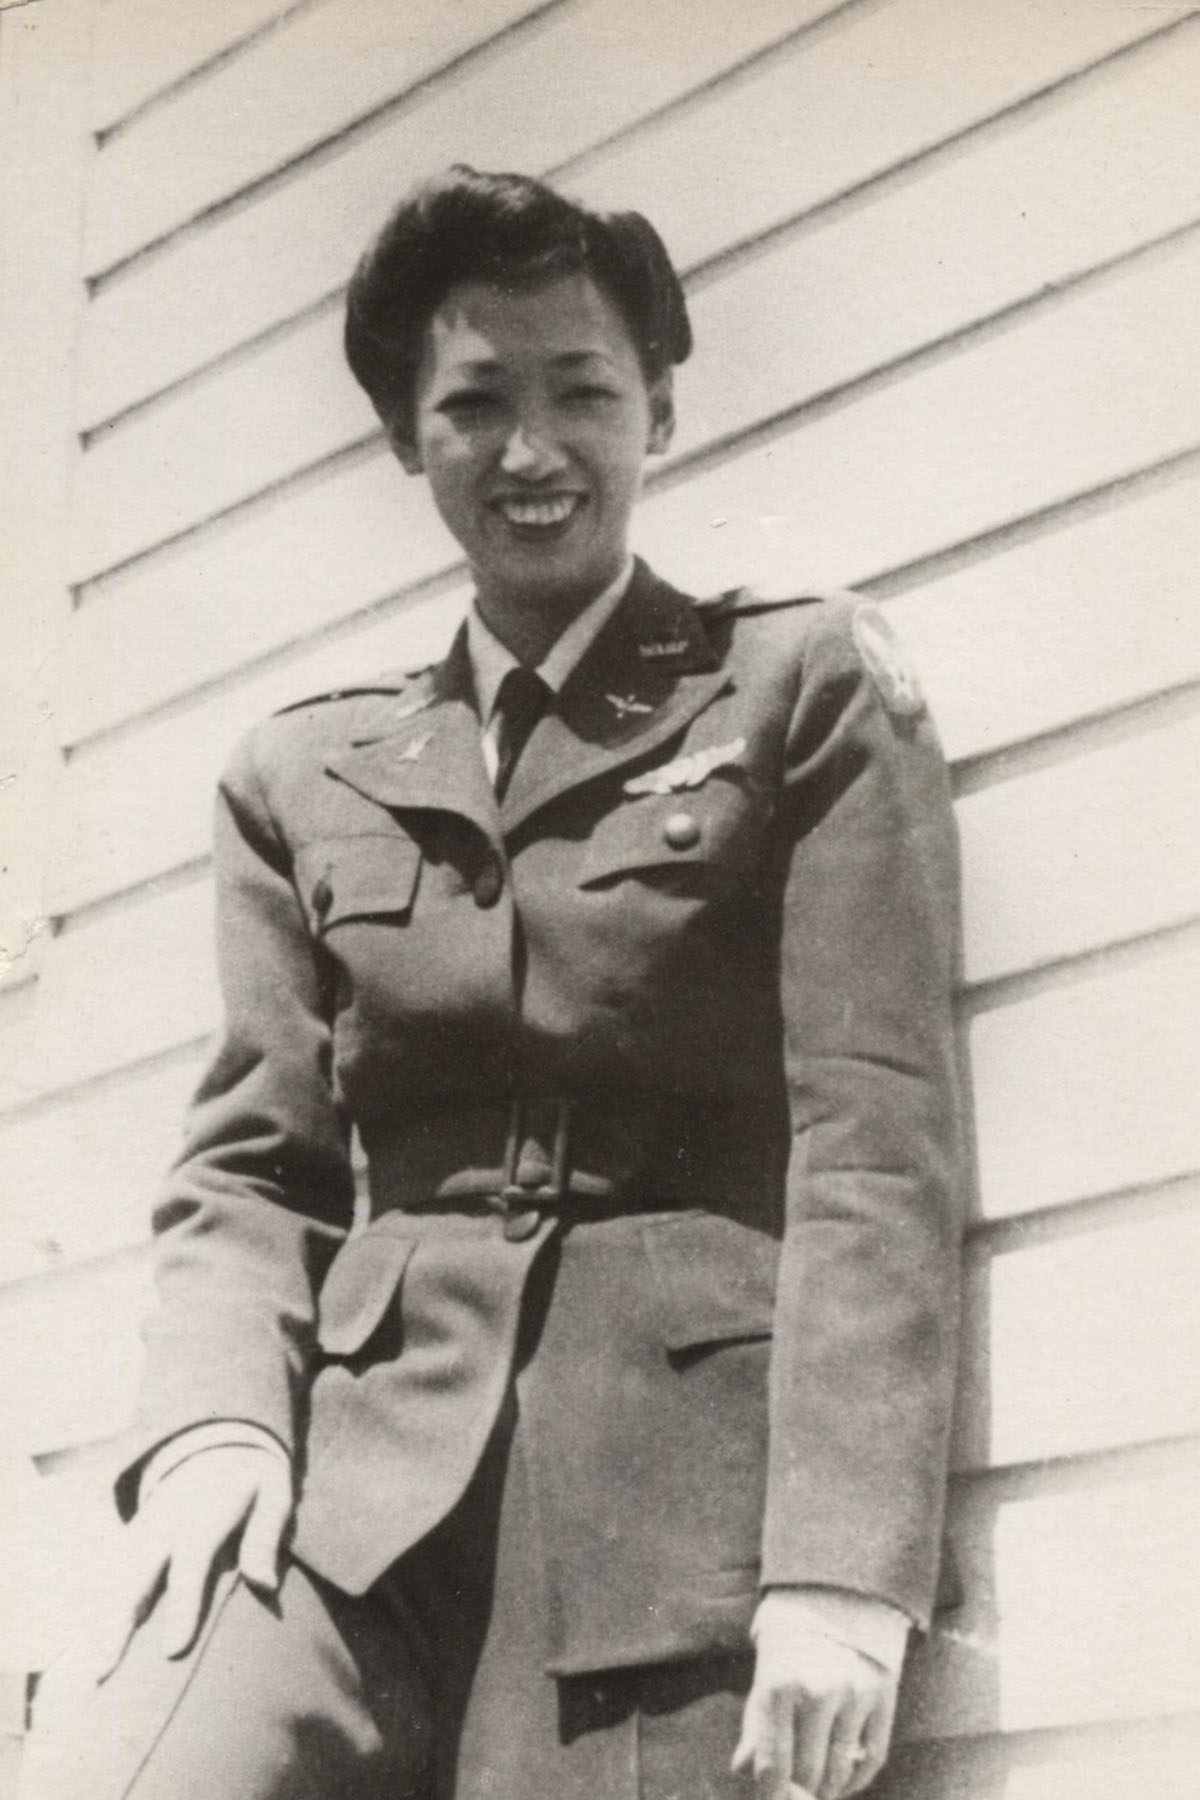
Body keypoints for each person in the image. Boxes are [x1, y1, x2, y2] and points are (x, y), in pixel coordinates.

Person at [22, 166, 964, 1800]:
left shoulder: (799, 689)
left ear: (659, 409)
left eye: (582, 390)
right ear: (409, 439)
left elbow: (875, 1145)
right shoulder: (301, 772)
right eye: (475, 404)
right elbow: (250, 1171)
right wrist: (216, 1430)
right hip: (353, 1503)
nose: (532, 452)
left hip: (670, 1517)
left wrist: (841, 1570)